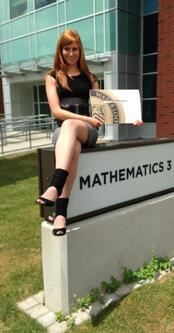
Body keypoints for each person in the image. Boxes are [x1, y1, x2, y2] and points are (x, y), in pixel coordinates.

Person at [36, 29, 102, 236]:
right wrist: (82, 118)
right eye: (67, 49)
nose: (71, 53)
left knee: (71, 126)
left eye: (75, 49)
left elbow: (102, 112)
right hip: (62, 131)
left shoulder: (90, 77)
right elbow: (55, 111)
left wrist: (129, 116)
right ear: (60, 50)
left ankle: (54, 186)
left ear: (80, 51)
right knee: (70, 140)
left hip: (87, 130)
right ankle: (61, 214)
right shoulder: (52, 77)